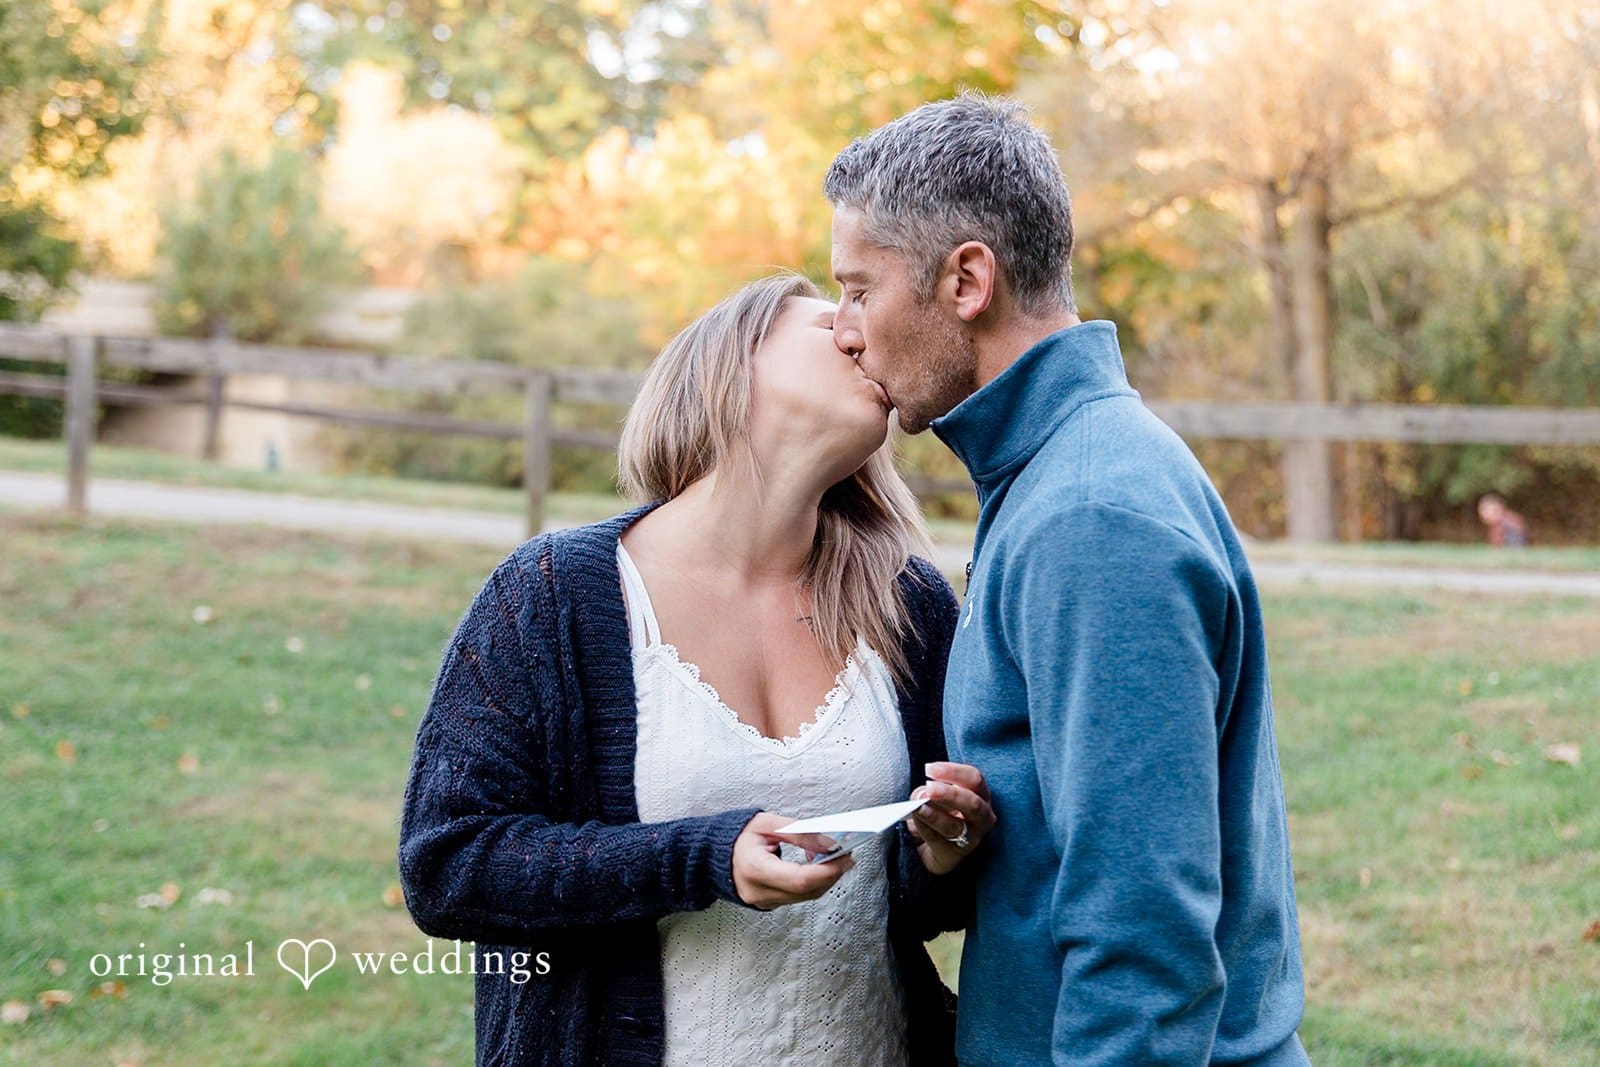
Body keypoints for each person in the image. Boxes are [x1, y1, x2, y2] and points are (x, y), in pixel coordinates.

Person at [398, 272, 996, 1067]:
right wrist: (701, 857)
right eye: (829, 321)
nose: (863, 331)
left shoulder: (909, 602)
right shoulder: (552, 596)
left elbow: (916, 910)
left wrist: (944, 852)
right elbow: (450, 865)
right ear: (731, 362)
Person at [824, 93, 1309, 1065]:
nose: (845, 329)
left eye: (858, 289)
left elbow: (1144, 941)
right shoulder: (1057, 470)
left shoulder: (1090, 514)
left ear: (966, 279)